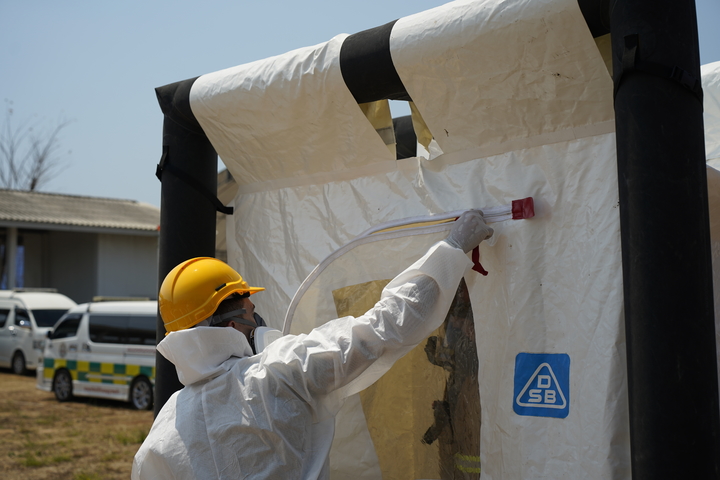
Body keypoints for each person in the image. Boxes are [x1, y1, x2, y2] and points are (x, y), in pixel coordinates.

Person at [132, 210, 493, 480]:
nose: (260, 323)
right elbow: (385, 327)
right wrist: (452, 250)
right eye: (252, 313)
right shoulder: (279, 372)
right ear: (231, 326)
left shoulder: (163, 431)